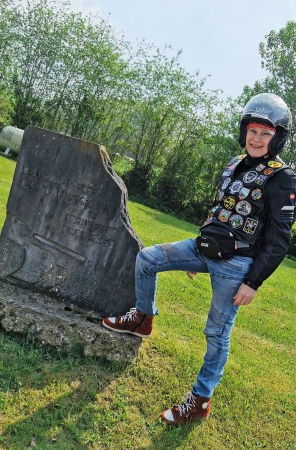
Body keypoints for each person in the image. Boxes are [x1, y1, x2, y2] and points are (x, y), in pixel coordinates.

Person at [102, 93, 296, 425]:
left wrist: (252, 283)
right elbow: (221, 209)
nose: (257, 138)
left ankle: (200, 401)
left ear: (277, 137)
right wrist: (203, 247)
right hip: (204, 249)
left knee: (216, 332)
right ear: (243, 131)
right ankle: (143, 318)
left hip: (237, 266)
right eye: (252, 130)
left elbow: (279, 240)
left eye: (265, 133)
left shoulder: (282, 177)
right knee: (148, 258)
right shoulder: (234, 163)